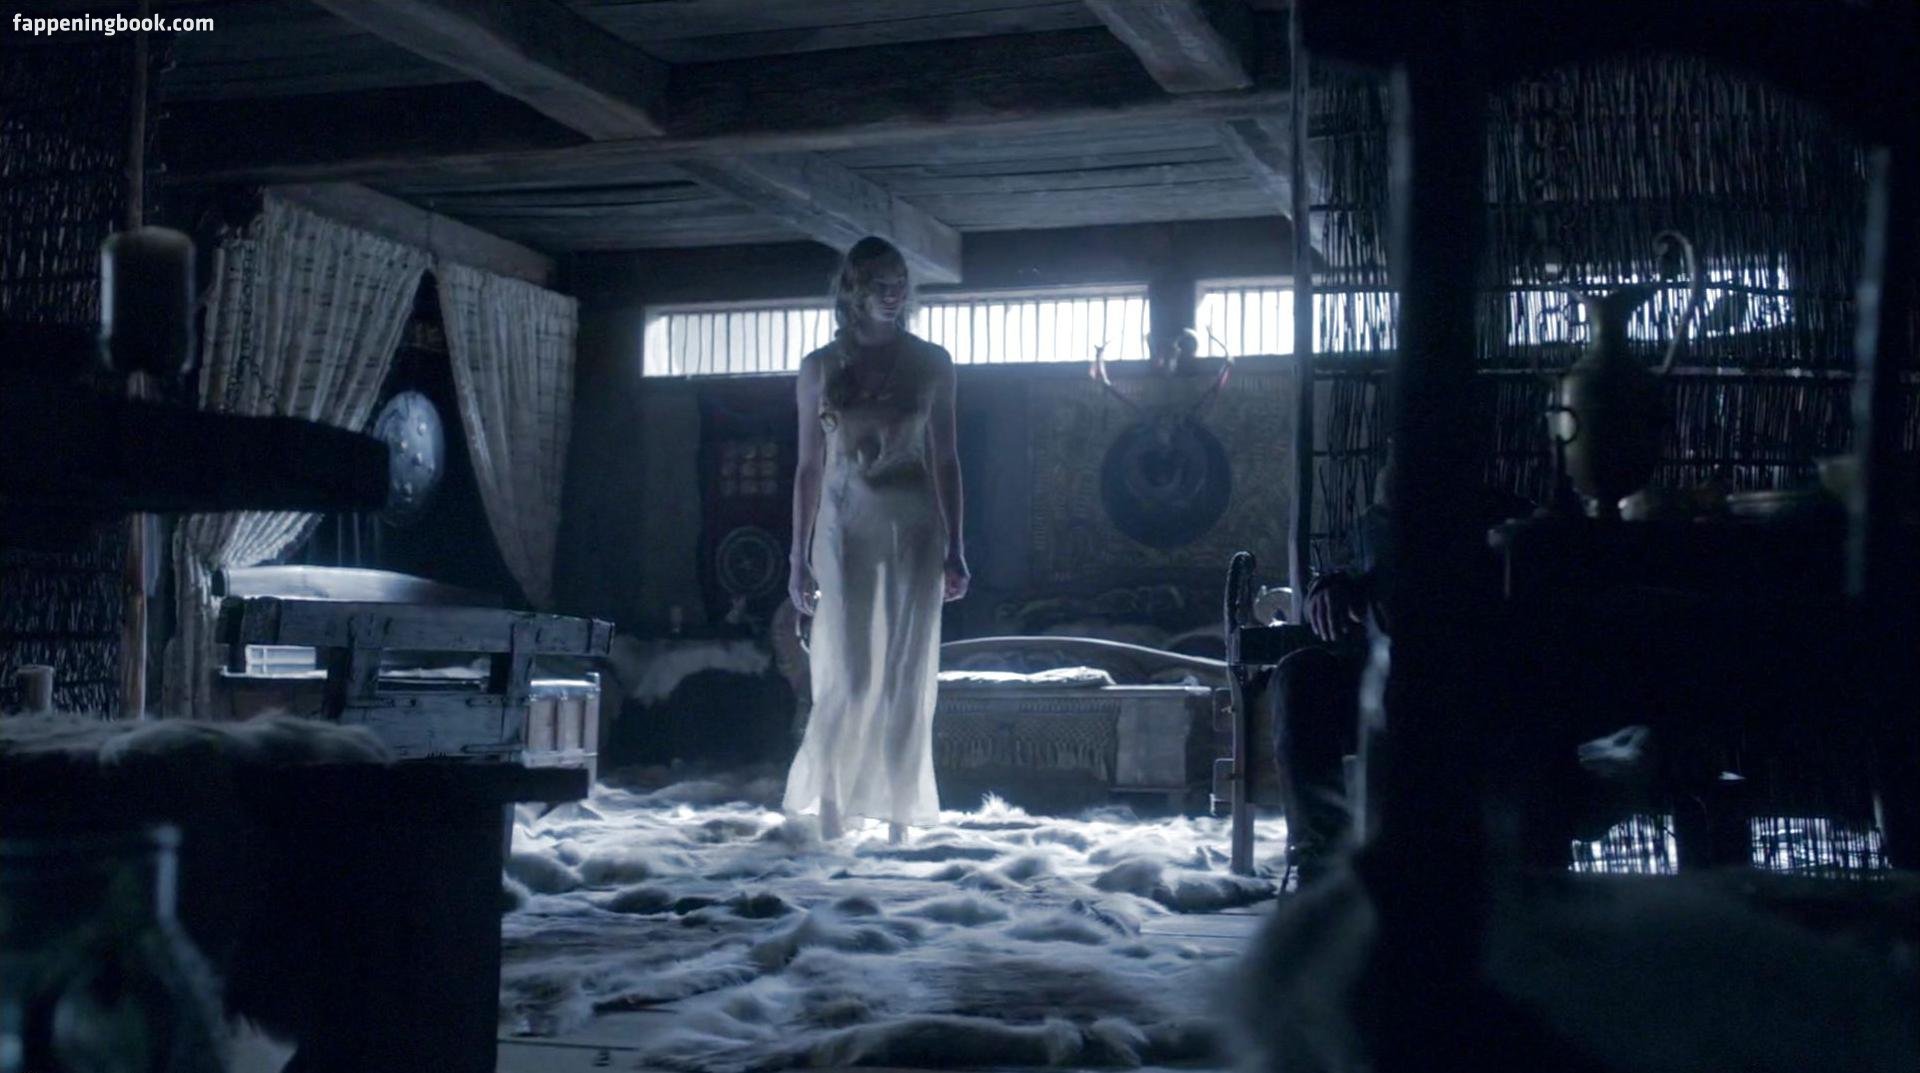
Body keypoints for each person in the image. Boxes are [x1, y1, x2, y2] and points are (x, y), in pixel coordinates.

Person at [784, 237, 969, 844]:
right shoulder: (819, 367)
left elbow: (947, 459)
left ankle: (898, 817)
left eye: (900, 285)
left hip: (915, 523)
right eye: (880, 286)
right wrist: (796, 558)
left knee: (904, 673)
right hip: (842, 523)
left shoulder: (933, 362)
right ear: (854, 291)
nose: (893, 296)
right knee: (851, 673)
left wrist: (957, 546)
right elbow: (808, 467)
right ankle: (832, 806)